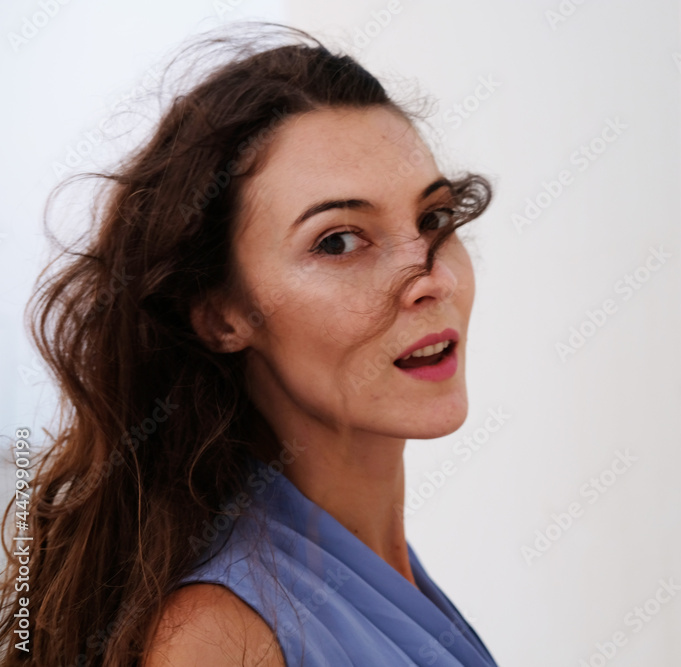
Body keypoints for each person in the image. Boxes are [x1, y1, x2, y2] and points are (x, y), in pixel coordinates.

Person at [0, 23, 498, 667]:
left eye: (433, 220)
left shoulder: (361, 566)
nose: (434, 278)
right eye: (339, 241)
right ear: (222, 316)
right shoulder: (219, 639)